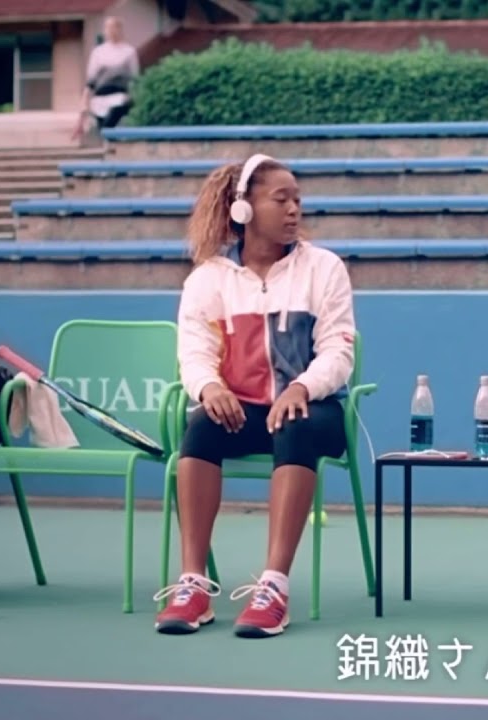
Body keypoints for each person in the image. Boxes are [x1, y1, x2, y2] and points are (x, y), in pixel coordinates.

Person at [154, 153, 357, 639]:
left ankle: (273, 586)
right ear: (243, 209)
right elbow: (194, 354)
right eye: (280, 200)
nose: (294, 210)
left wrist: (303, 386)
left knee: (296, 424)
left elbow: (338, 350)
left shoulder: (324, 268)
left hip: (313, 411)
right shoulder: (207, 279)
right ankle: (193, 584)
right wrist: (210, 388)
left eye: (297, 200)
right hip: (242, 412)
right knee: (201, 425)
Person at [73, 17, 140, 140]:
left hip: (119, 96)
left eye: (114, 27)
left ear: (120, 29)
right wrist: (84, 104)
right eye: (107, 27)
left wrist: (133, 97)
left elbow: (134, 78)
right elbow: (91, 80)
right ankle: (110, 148)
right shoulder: (98, 52)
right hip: (100, 98)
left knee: (109, 126)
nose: (111, 30)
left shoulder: (129, 51)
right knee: (104, 133)